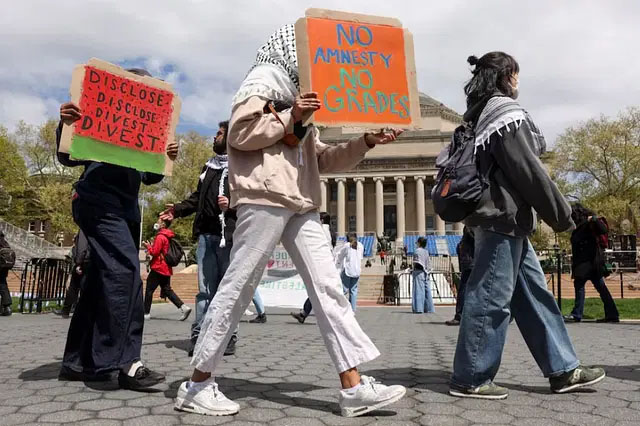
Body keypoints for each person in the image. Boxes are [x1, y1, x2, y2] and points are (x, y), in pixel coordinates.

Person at [174, 24, 406, 418]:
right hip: (265, 196)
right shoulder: (261, 81)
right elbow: (242, 134)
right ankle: (197, 384)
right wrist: (290, 116)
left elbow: (323, 160)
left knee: (328, 288)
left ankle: (352, 387)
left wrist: (365, 142)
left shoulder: (303, 100)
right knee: (238, 287)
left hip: (302, 203)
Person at [449, 52, 605, 400]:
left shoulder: (478, 114)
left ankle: (563, 369)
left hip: (505, 221)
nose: (518, 81)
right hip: (501, 219)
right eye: (516, 74)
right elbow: (528, 171)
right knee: (490, 297)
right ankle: (471, 376)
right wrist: (563, 214)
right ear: (507, 76)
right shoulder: (504, 114)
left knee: (535, 296)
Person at [55, 68, 178, 390]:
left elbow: (150, 177)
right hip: (98, 201)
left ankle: (76, 362)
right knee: (124, 275)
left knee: (100, 281)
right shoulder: (102, 117)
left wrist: (165, 158)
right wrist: (67, 122)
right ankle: (122, 362)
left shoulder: (143, 130)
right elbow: (67, 156)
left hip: (123, 209)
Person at [161, 121, 243, 356]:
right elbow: (197, 198)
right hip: (207, 236)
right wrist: (176, 210)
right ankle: (199, 335)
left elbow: (251, 199)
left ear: (229, 138)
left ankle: (229, 337)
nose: (214, 138)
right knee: (205, 290)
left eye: (218, 134)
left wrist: (232, 206)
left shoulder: (241, 168)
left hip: (229, 236)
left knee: (228, 290)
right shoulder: (208, 167)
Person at [564, 204, 619, 323]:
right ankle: (612, 313)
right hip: (591, 263)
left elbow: (603, 229)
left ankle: (577, 314)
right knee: (601, 288)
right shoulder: (580, 226)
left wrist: (593, 219)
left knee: (580, 286)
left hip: (587, 262)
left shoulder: (588, 224)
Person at [143, 217, 192, 321]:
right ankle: (184, 307)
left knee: (149, 289)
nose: (156, 223)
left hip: (158, 267)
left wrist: (148, 246)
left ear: (163, 225)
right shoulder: (167, 236)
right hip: (166, 268)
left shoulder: (160, 237)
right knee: (167, 290)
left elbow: (155, 252)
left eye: (159, 221)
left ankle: (146, 313)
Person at [290, 211, 335, 324]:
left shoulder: (321, 230)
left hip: (320, 263)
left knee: (318, 291)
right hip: (326, 263)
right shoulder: (330, 231)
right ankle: (304, 313)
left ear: (322, 220)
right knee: (318, 291)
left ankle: (331, 315)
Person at [55, 231, 90, 319]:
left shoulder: (83, 229)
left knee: (74, 287)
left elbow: (82, 247)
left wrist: (79, 263)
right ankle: (70, 310)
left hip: (84, 262)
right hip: (90, 261)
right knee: (82, 288)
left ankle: (66, 310)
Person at [446, 227, 475, 326]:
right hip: (469, 263)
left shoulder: (471, 229)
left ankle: (460, 315)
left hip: (470, 263)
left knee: (464, 289)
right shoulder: (470, 230)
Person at [336, 233, 364, 312]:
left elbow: (340, 255)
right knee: (353, 290)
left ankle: (341, 307)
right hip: (357, 270)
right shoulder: (360, 245)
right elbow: (361, 257)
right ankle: (352, 309)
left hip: (348, 270)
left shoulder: (347, 245)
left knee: (343, 289)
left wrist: (338, 263)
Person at [412, 237, 434, 314]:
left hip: (418, 272)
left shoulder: (417, 251)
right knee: (427, 290)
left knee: (418, 290)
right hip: (426, 272)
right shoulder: (426, 251)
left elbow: (417, 262)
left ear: (419, 243)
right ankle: (429, 308)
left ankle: (419, 308)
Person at [0, 231, 13, 316]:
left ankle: (6, 308)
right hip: (4, 268)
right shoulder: (4, 242)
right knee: (3, 286)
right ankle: (7, 307)